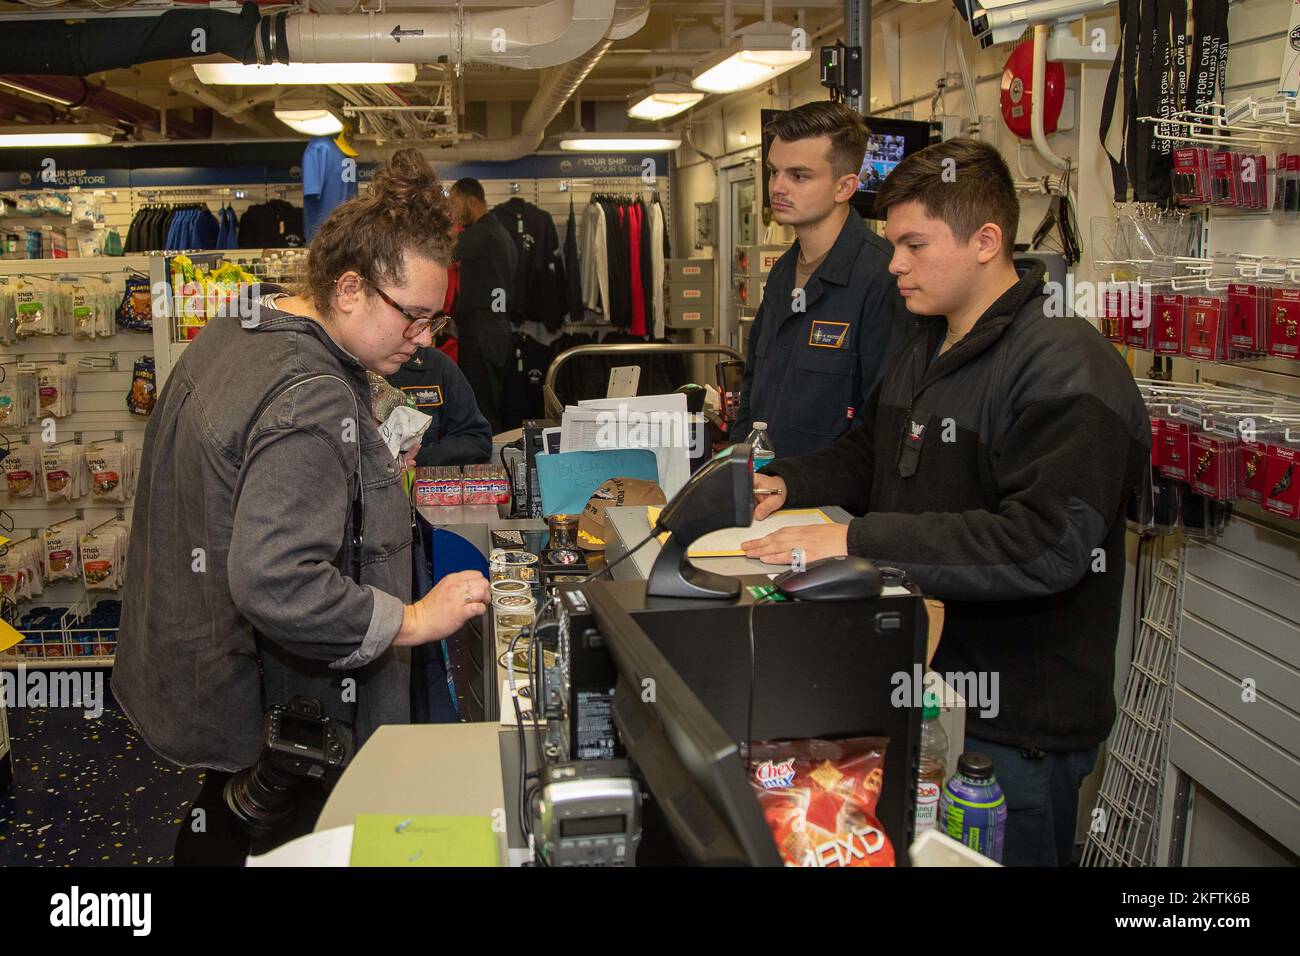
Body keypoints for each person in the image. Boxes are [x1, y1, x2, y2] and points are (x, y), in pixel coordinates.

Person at [741, 138, 1151, 867]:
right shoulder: (925, 340)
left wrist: (859, 540)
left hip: (1012, 732)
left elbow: (1047, 542)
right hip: (924, 699)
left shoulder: (1066, 366)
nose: (894, 263)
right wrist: (790, 484)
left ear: (987, 241)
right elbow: (872, 451)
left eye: (913, 244)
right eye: (892, 243)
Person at [113, 149, 490, 865]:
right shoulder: (311, 394)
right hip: (286, 709)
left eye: (431, 324)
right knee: (273, 835)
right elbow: (276, 579)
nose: (421, 344)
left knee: (228, 822)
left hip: (207, 686)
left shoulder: (239, 330)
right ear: (349, 288)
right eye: (412, 320)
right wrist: (411, 618)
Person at [732, 101, 909, 457]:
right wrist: (736, 460)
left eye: (798, 176)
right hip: (764, 490)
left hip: (829, 504)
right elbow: (754, 385)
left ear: (844, 187)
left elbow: (880, 420)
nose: (778, 187)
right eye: (773, 172)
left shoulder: (883, 277)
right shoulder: (784, 271)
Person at [448, 177, 517, 434]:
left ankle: (489, 471)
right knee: (490, 404)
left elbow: (442, 253)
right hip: (496, 330)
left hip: (482, 333)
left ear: (471, 200)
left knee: (482, 409)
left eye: (454, 203)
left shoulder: (480, 233)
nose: (453, 211)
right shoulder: (501, 234)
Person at [385, 345, 493, 466]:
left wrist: (419, 458)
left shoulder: (435, 365)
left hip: (418, 477)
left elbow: (476, 440)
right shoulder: (361, 374)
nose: (426, 339)